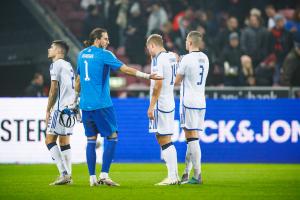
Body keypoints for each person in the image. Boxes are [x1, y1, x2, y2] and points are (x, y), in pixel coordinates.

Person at [73, 28, 162, 187]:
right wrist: (147, 76)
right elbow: (125, 69)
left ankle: (92, 178)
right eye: (105, 39)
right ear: (97, 39)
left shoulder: (81, 54)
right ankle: (104, 175)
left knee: (91, 140)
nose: (108, 42)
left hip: (85, 105)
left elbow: (78, 80)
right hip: (102, 104)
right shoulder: (105, 55)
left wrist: (74, 101)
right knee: (112, 137)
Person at [175, 31, 209, 184]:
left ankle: (198, 174)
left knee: (191, 138)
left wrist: (177, 64)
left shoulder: (187, 59)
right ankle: (187, 173)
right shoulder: (205, 58)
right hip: (201, 102)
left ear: (189, 43)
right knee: (192, 139)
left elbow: (176, 81)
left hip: (188, 102)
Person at [146, 34, 179, 186]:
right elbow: (178, 57)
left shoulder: (159, 59)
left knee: (164, 139)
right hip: (170, 100)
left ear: (152, 45)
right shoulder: (171, 56)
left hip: (161, 103)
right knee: (163, 138)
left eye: (148, 48)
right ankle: (173, 175)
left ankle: (173, 176)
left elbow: (158, 84)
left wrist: (151, 106)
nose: (148, 52)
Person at [45, 40, 75, 185]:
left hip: (59, 108)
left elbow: (53, 89)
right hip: (71, 108)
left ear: (58, 51)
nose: (49, 49)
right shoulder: (68, 65)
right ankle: (68, 176)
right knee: (64, 142)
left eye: (51, 47)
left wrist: (47, 109)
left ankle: (63, 173)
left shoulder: (56, 65)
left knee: (49, 140)